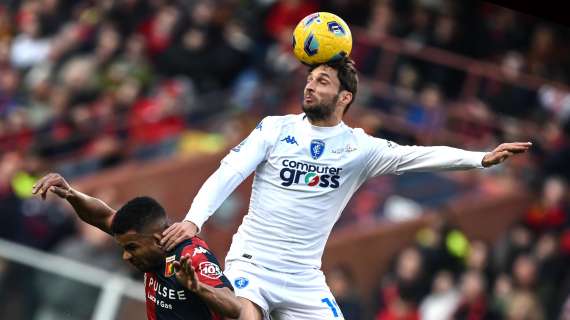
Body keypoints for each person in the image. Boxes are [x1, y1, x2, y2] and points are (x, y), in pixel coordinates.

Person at [161, 57, 531, 319]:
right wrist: (194, 220)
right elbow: (230, 170)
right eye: (310, 78)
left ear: (344, 98)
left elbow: (418, 156)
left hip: (304, 278)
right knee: (246, 316)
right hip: (253, 265)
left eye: (323, 81)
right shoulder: (275, 128)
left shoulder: (360, 149)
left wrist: (480, 158)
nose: (310, 85)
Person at [32, 173, 241, 320]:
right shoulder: (145, 238)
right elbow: (102, 216)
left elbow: (234, 308)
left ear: (158, 239)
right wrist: (71, 194)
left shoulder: (191, 255)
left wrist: (198, 287)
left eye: (131, 248)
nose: (126, 256)